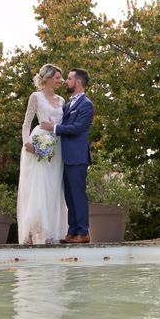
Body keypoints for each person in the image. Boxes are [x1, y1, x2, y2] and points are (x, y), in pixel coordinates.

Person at [41, 68, 94, 244]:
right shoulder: (68, 104)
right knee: (69, 196)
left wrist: (54, 128)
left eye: (69, 78)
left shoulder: (86, 104)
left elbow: (77, 128)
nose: (66, 81)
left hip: (77, 157)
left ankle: (83, 232)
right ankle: (72, 231)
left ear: (78, 82)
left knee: (78, 195)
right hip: (65, 156)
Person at [17, 64, 67, 244]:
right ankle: (32, 233)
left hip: (57, 146)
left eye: (61, 78)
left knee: (53, 188)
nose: (60, 81)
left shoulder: (61, 100)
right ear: (46, 78)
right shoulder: (35, 97)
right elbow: (26, 123)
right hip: (38, 145)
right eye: (57, 77)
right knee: (38, 188)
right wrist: (27, 143)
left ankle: (51, 232)